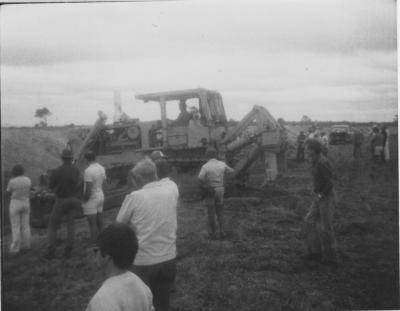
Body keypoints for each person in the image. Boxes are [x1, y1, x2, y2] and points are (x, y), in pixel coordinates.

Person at [116, 159, 178, 311]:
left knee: (141, 305)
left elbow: (119, 225)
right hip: (168, 258)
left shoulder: (135, 197)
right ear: (155, 174)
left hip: (143, 261)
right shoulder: (170, 191)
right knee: (163, 304)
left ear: (139, 178)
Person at [86, 223, 154, 311]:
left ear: (107, 257)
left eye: (96, 250)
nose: (95, 255)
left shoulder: (102, 301)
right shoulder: (143, 287)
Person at [303, 139, 337, 266]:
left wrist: (320, 195)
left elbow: (330, 183)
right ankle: (315, 252)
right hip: (319, 196)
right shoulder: (314, 161)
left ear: (314, 150)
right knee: (309, 221)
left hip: (326, 197)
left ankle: (331, 258)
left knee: (326, 228)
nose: (306, 151)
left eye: (308, 149)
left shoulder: (323, 163)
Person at [46, 149, 81, 259]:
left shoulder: (57, 171)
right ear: (71, 158)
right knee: (71, 226)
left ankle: (51, 251)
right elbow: (79, 184)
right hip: (73, 199)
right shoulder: (76, 170)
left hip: (61, 200)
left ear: (62, 158)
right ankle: (68, 251)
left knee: (53, 226)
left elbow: (51, 186)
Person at [198, 147, 234, 240]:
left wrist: (206, 185)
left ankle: (213, 233)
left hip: (210, 190)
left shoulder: (205, 166)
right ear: (216, 155)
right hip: (220, 189)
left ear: (207, 156)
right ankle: (222, 231)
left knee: (211, 213)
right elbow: (231, 171)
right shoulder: (222, 164)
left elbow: (200, 178)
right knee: (220, 211)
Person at [6, 164, 32, 255]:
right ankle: (27, 245)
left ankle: (15, 249)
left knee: (15, 226)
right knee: (26, 226)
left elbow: (8, 192)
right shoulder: (28, 180)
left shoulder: (12, 181)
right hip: (26, 202)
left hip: (15, 202)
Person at [82, 151, 107, 245]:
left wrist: (84, 199)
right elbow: (104, 182)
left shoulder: (88, 171)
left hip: (92, 198)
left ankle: (94, 244)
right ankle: (104, 241)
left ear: (86, 159)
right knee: (100, 221)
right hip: (100, 195)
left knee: (92, 224)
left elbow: (88, 188)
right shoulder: (101, 168)